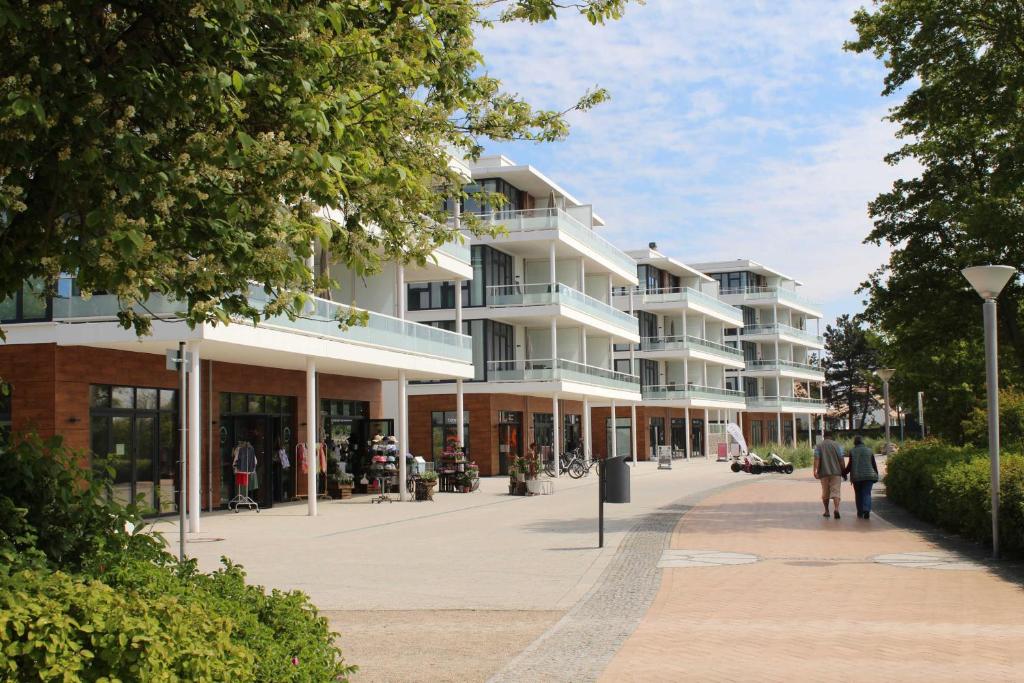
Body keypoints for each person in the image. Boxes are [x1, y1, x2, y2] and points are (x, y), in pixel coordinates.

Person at [813, 432, 846, 519]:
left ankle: (827, 511)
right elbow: (841, 459)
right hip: (836, 473)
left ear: (824, 437)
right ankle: (836, 509)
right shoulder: (838, 445)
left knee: (825, 493)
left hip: (823, 473)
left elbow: (817, 459)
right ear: (832, 437)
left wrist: (815, 471)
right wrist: (844, 471)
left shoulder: (818, 446)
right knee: (836, 492)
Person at [845, 435, 879, 519]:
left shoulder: (852, 451)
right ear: (862, 442)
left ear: (854, 443)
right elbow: (873, 464)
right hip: (869, 476)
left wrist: (843, 473)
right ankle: (866, 510)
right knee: (867, 493)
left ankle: (860, 512)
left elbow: (850, 465)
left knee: (858, 494)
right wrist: (876, 474)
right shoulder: (869, 450)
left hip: (857, 477)